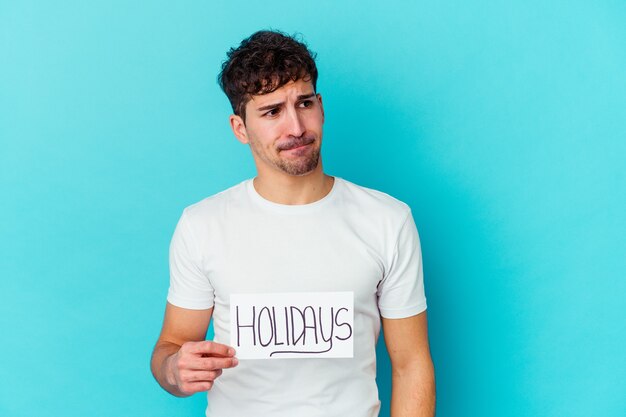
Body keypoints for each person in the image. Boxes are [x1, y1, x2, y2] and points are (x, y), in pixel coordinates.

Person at [151, 30, 436, 417]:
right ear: (240, 128)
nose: (296, 128)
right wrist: (174, 369)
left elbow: (411, 363)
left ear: (321, 106)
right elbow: (172, 346)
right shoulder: (202, 225)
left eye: (304, 104)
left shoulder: (387, 220)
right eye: (272, 112)